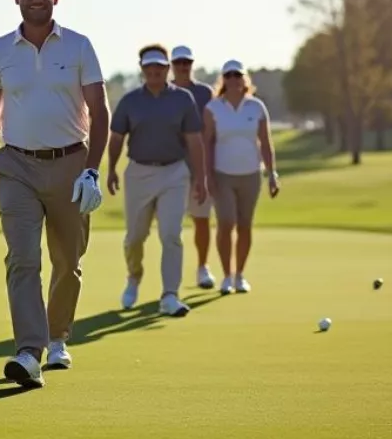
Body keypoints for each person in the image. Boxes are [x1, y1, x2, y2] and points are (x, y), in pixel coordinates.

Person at [0, 0, 109, 389]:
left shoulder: (79, 46)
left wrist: (91, 170)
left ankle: (57, 336)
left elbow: (100, 111)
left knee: (68, 261)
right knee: (23, 258)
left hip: (71, 163)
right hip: (16, 166)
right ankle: (29, 351)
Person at [107, 44, 207, 317]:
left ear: (166, 69)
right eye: (149, 67)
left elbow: (194, 140)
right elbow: (116, 138)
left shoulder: (183, 99)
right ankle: (133, 277)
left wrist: (200, 177)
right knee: (135, 237)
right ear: (142, 69)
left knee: (171, 235)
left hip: (174, 172)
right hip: (139, 172)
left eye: (159, 67)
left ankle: (170, 295)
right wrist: (112, 169)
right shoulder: (130, 101)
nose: (154, 71)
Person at [201, 59, 279, 295]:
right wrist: (208, 177)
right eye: (229, 76)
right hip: (222, 174)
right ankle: (226, 276)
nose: (233, 80)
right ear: (223, 80)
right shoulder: (213, 108)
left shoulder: (256, 107)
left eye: (237, 76)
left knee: (245, 226)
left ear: (244, 79)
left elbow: (265, 142)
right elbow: (207, 144)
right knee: (226, 223)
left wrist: (272, 173)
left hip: (251, 175)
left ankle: (239, 275)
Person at [170, 45, 219, 290]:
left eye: (186, 63)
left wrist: (208, 170)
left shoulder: (204, 93)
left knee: (201, 219)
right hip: (169, 167)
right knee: (172, 225)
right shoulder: (162, 91)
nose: (182, 67)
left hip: (198, 168)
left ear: (192, 64)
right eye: (178, 63)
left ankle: (202, 267)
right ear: (172, 65)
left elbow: (211, 134)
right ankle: (172, 277)